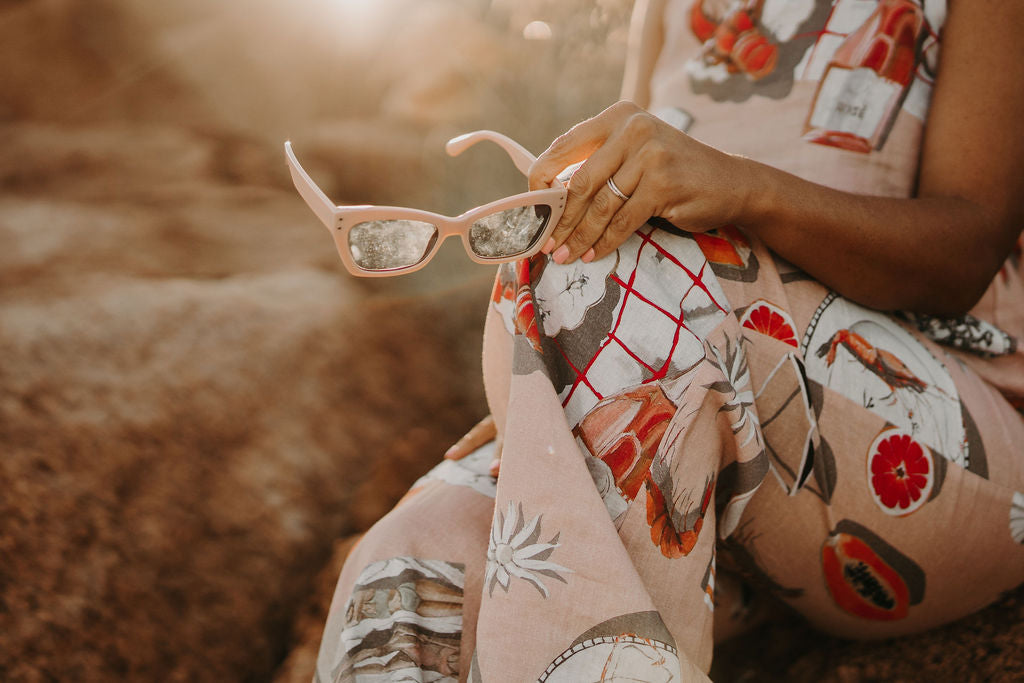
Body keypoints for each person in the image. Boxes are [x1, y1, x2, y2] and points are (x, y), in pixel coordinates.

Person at [314, 0, 1024, 680]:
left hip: (933, 422)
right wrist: (553, 375)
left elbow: (964, 252)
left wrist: (745, 189)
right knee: (409, 562)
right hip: (708, 457)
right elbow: (619, 211)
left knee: (635, 265)